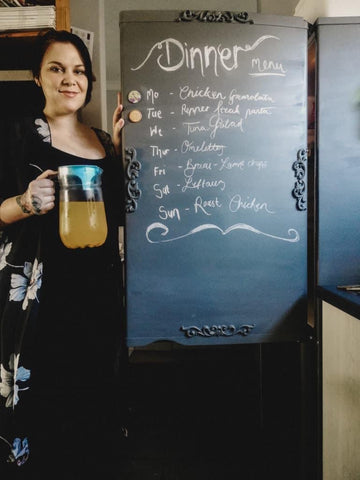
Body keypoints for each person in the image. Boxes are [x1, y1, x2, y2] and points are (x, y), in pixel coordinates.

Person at [0, 29, 127, 478]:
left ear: (89, 80)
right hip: (43, 302)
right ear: (38, 77)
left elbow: (126, 215)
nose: (69, 79)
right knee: (48, 410)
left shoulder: (104, 144)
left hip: (101, 298)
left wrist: (123, 148)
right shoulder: (15, 136)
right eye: (56, 69)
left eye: (78, 71)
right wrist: (22, 202)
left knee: (95, 408)